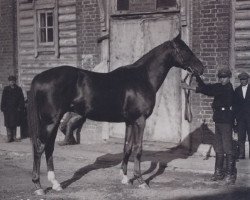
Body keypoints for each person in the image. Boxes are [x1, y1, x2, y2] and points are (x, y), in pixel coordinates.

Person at [181, 68, 237, 185]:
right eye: (220, 77)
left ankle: (230, 175)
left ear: (229, 77)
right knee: (219, 149)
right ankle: (218, 173)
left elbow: (208, 92)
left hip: (226, 121)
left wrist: (189, 87)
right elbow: (207, 88)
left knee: (228, 148)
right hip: (219, 120)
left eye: (225, 77)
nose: (222, 79)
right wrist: (197, 76)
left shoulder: (227, 88)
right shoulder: (220, 86)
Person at [1, 75, 25, 142]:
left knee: (14, 122)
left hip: (15, 109)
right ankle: (9, 137)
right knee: (8, 123)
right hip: (7, 109)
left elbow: (21, 99)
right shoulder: (6, 89)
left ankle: (14, 137)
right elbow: (3, 99)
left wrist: (20, 107)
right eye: (11, 81)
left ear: (15, 81)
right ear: (9, 82)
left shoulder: (18, 89)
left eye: (13, 81)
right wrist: (3, 107)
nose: (12, 83)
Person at [233, 72, 250, 159]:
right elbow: (235, 105)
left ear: (248, 79)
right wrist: (235, 117)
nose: (243, 81)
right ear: (240, 80)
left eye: (245, 79)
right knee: (241, 136)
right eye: (241, 80)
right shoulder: (237, 90)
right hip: (240, 118)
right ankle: (241, 154)